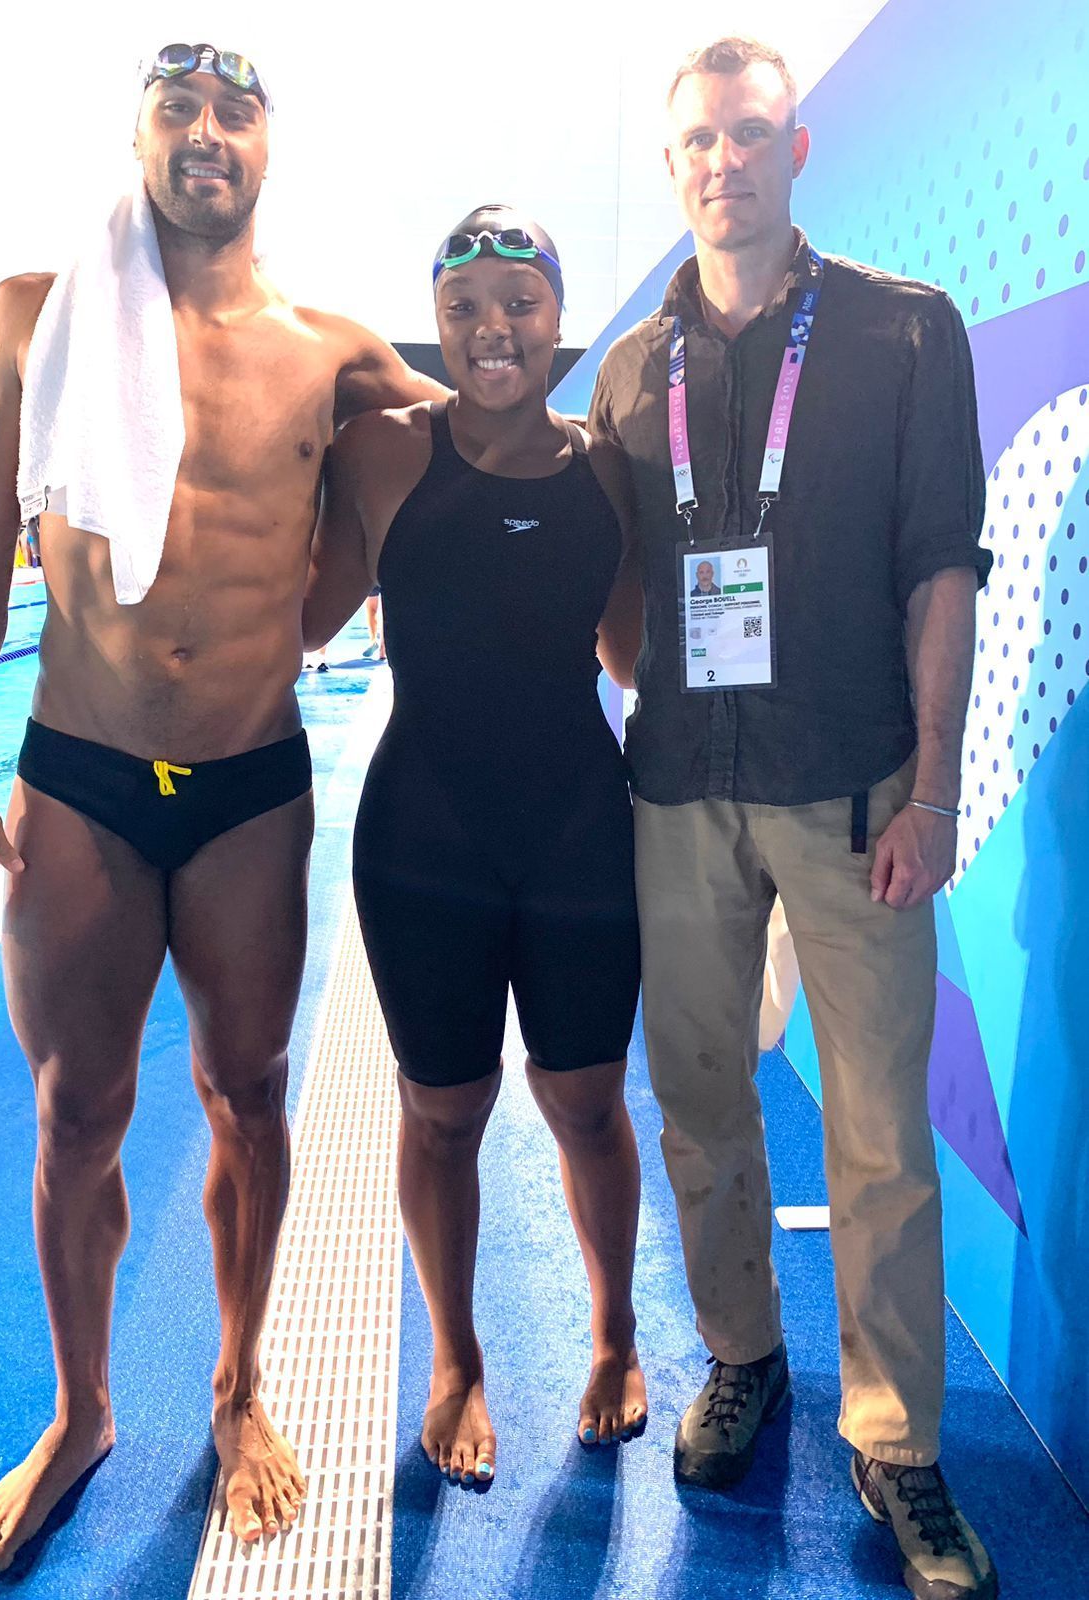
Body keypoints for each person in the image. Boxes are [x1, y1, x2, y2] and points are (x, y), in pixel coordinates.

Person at [0, 41, 441, 1580]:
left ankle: (239, 1387)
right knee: (76, 1115)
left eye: (237, 114)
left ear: (271, 147)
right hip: (80, 769)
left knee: (250, 1095)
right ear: (138, 133)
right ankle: (80, 1413)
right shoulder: (35, 314)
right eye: (180, 111)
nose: (209, 137)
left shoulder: (333, 350)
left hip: (249, 788)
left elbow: (484, 436)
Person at [588, 37, 996, 1600]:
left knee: (882, 1133)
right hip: (682, 794)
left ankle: (895, 1442)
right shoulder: (635, 369)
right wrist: (657, 702)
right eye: (697, 139)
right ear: (675, 158)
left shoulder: (903, 332)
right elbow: (622, 596)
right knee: (700, 1101)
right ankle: (744, 1352)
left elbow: (939, 570)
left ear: (797, 146)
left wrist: (937, 785)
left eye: (750, 133)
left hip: (852, 794)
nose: (722, 162)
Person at [304, 205, 647, 1486]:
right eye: (464, 308)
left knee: (587, 1103)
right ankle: (455, 1359)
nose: (491, 329)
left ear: (560, 317)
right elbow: (297, 615)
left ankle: (614, 1336)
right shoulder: (381, 452)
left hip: (575, 831)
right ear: (435, 322)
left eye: (520, 302)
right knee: (443, 1115)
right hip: (423, 836)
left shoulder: (605, 471)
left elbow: (627, 656)